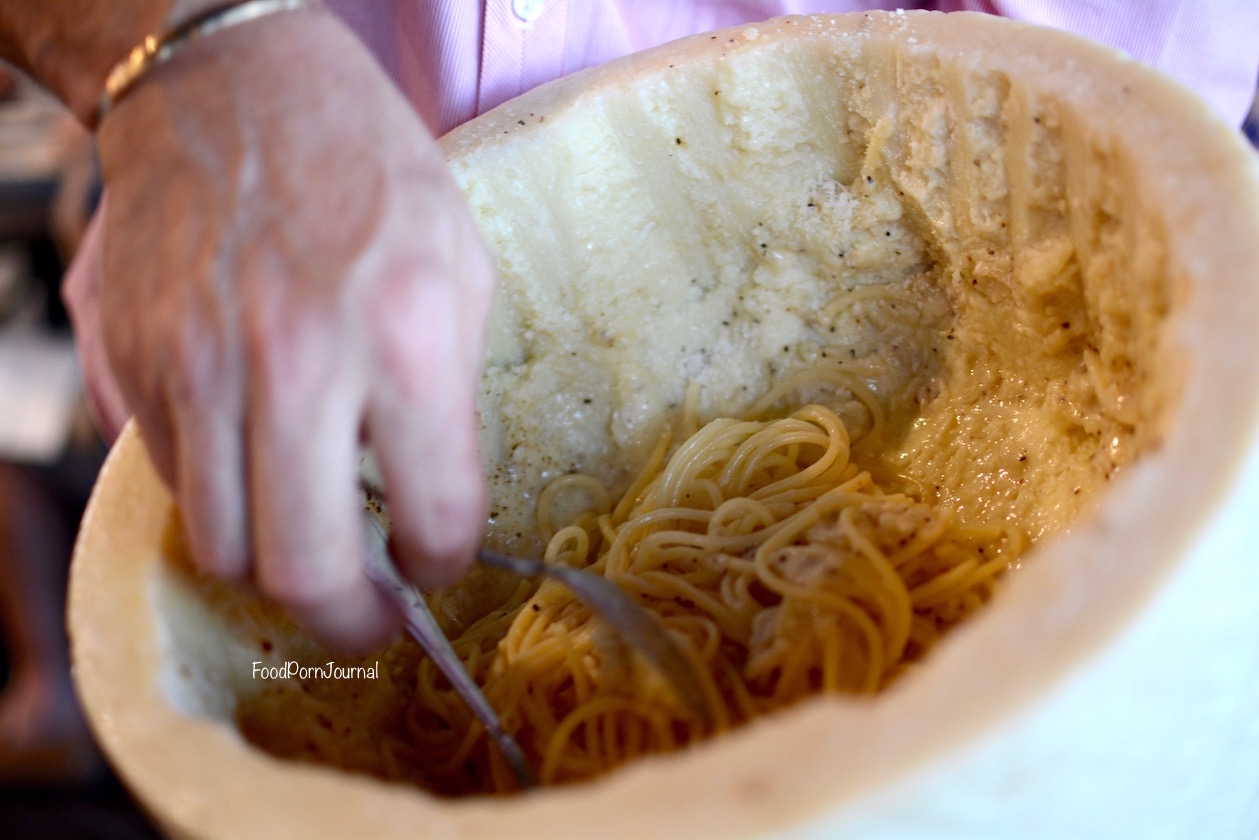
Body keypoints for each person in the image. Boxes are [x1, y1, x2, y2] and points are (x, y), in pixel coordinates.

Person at [1, 0, 1256, 656]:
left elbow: (1083, 95)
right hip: (247, 301)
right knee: (302, 679)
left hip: (958, 314)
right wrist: (178, 50)